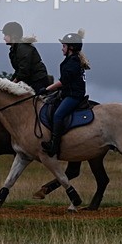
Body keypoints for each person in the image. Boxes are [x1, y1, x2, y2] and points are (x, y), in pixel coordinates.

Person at [40, 29, 90, 158]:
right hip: (67, 94)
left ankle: (54, 146)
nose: (62, 49)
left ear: (71, 48)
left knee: (58, 115)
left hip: (74, 96)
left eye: (64, 46)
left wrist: (47, 89)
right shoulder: (71, 60)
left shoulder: (73, 61)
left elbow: (63, 81)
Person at [1, 21, 50, 93]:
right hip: (30, 80)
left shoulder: (22, 48)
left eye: (6, 35)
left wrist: (12, 84)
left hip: (37, 81)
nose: (4, 38)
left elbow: (24, 70)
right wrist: (9, 83)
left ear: (13, 35)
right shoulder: (14, 50)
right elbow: (18, 71)